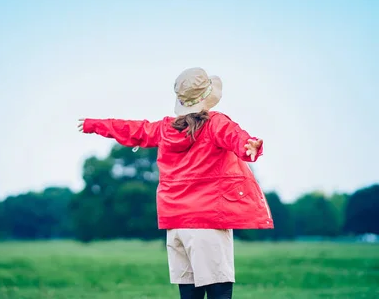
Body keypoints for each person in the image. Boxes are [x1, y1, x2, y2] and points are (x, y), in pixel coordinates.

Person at [78, 67, 273, 299]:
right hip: (207, 222)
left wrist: (94, 124)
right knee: (220, 290)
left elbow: (133, 129)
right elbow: (235, 136)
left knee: (189, 294)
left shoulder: (164, 129)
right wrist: (249, 145)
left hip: (176, 225)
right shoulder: (215, 123)